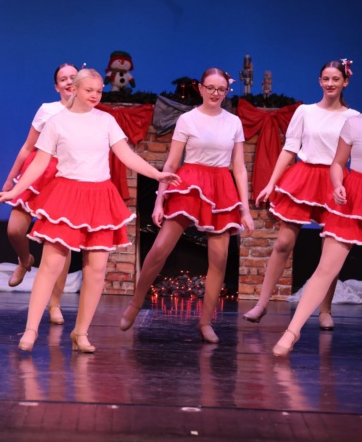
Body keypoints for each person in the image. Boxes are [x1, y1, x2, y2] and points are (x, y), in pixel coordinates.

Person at [0, 68, 180, 352]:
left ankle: (80, 333)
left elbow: (126, 155)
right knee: (51, 264)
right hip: (66, 194)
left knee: (97, 268)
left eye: (99, 91)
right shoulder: (57, 122)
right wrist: (14, 191)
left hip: (99, 197)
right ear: (75, 89)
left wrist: (157, 174)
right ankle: (31, 330)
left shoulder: (106, 120)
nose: (95, 95)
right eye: (89, 90)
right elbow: (40, 162)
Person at [119, 68, 254, 344]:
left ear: (226, 91)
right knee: (160, 248)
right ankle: (135, 303)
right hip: (190, 181)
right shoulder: (187, 119)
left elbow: (239, 168)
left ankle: (205, 322)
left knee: (219, 259)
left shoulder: (233, 122)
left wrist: (245, 209)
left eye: (221, 89)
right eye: (210, 87)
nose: (215, 93)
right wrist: (159, 200)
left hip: (220, 186)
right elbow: (171, 163)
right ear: (200, 88)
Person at [244, 60, 358, 329]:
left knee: (330, 251)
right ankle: (262, 303)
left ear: (345, 82)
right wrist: (271, 183)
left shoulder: (353, 117)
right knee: (283, 242)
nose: (330, 83)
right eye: (325, 78)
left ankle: (325, 310)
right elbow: (290, 148)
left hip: (335, 181)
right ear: (319, 81)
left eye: (335, 79)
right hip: (304, 178)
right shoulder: (305, 111)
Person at [273, 107, 362, 356]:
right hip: (353, 196)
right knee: (325, 269)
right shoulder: (354, 124)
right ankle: (292, 331)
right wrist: (337, 184)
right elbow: (338, 163)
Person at [0, 63, 78, 324]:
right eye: (63, 79)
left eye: (73, 77)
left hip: (65, 176)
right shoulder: (47, 109)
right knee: (14, 230)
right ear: (56, 86)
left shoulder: (87, 112)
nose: (68, 82)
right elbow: (27, 147)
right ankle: (25, 260)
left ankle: (55, 304)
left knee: (60, 244)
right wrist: (10, 179)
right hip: (37, 172)